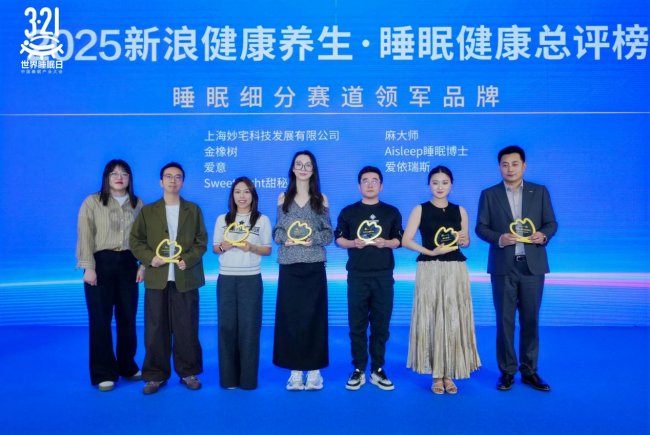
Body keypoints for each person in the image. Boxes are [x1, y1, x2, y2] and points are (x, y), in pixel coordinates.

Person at [475, 145, 557, 392]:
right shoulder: (489, 194)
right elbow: (481, 227)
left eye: (514, 164)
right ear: (499, 167)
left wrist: (543, 235)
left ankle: (530, 371)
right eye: (505, 164)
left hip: (532, 267)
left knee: (530, 320)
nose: (510, 169)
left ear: (524, 166)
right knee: (505, 320)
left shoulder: (539, 192)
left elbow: (551, 223)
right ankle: (507, 372)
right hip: (503, 267)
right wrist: (499, 238)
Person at [130, 162, 208, 395]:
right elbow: (135, 241)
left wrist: (188, 258)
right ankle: (155, 375)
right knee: (155, 329)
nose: (173, 180)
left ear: (183, 182)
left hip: (186, 277)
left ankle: (188, 372)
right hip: (157, 278)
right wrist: (149, 259)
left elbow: (201, 241)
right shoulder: (148, 211)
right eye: (168, 176)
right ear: (160, 182)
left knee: (187, 328)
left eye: (178, 177)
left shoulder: (193, 210)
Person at [402, 166, 481, 394]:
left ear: (451, 185)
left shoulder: (460, 210)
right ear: (429, 185)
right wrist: (430, 252)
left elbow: (465, 241)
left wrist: (465, 240)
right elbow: (406, 240)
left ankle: (449, 373)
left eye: (444, 182)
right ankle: (436, 375)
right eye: (435, 182)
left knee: (454, 318)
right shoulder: (420, 209)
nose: (440, 187)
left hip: (455, 268)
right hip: (430, 268)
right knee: (432, 316)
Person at [76, 159, 144, 392]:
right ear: (106, 177)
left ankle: (127, 365)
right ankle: (103, 372)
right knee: (100, 318)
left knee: (128, 317)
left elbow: (143, 237)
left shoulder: (137, 203)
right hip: (100, 263)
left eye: (124, 174)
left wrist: (143, 264)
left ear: (130, 178)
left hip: (128, 264)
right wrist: (88, 266)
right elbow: (85, 235)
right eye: (114, 173)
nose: (119, 177)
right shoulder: (92, 202)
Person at [335, 166, 403, 391]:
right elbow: (339, 239)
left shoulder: (391, 212)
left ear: (381, 185)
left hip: (383, 276)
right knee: (357, 325)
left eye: (375, 180)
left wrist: (387, 243)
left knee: (381, 325)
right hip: (357, 276)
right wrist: (353, 243)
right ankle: (358, 368)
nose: (370, 184)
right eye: (365, 180)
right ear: (359, 186)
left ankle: (377, 369)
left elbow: (399, 240)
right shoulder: (348, 212)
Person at [273, 150, 333, 391]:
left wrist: (312, 240)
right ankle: (295, 371)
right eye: (299, 164)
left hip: (313, 264)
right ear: (293, 169)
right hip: (289, 265)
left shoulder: (321, 199)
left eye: (308, 165)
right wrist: (284, 239)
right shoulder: (283, 198)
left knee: (314, 318)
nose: (303, 168)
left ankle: (315, 371)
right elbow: (277, 231)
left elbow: (328, 234)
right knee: (290, 319)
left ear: (313, 169)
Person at [213, 177, 272, 390]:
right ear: (232, 195)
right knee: (226, 327)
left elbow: (267, 249)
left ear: (253, 195)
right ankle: (228, 379)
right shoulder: (222, 219)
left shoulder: (262, 220)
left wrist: (251, 248)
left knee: (249, 328)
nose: (242, 196)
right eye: (238, 191)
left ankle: (248, 380)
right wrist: (225, 246)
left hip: (251, 279)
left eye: (246, 191)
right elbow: (215, 248)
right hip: (226, 278)